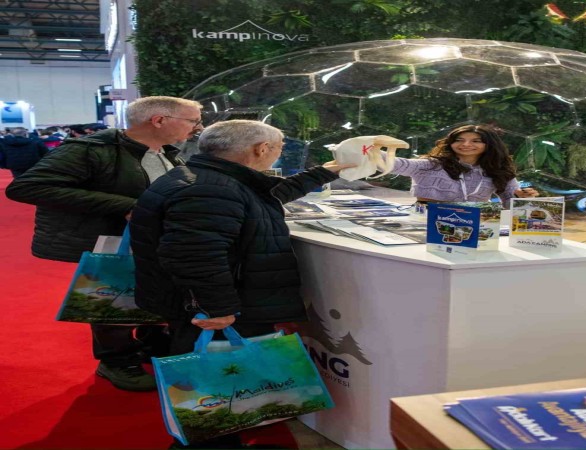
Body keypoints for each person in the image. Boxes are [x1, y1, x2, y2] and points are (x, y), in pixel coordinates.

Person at [128, 119, 351, 448]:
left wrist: (325, 171)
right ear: (262, 149)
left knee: (221, 376)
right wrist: (216, 308)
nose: (277, 154)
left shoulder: (211, 177)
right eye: (278, 149)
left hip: (209, 298)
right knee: (215, 378)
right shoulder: (210, 189)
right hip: (214, 305)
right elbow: (194, 254)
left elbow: (265, 196)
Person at [5, 96, 204, 392]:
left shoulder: (167, 152)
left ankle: (151, 342)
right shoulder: (90, 149)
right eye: (192, 120)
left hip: (154, 241)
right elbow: (27, 187)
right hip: (112, 239)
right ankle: (116, 360)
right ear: (159, 120)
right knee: (114, 300)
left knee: (154, 294)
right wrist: (125, 205)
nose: (198, 127)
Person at [388, 124, 538, 207]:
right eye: (459, 140)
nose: (466, 144)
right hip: (426, 220)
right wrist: (374, 147)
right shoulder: (431, 165)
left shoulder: (497, 170)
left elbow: (511, 203)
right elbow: (394, 163)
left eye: (476, 141)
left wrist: (522, 197)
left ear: (490, 145)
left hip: (476, 221)